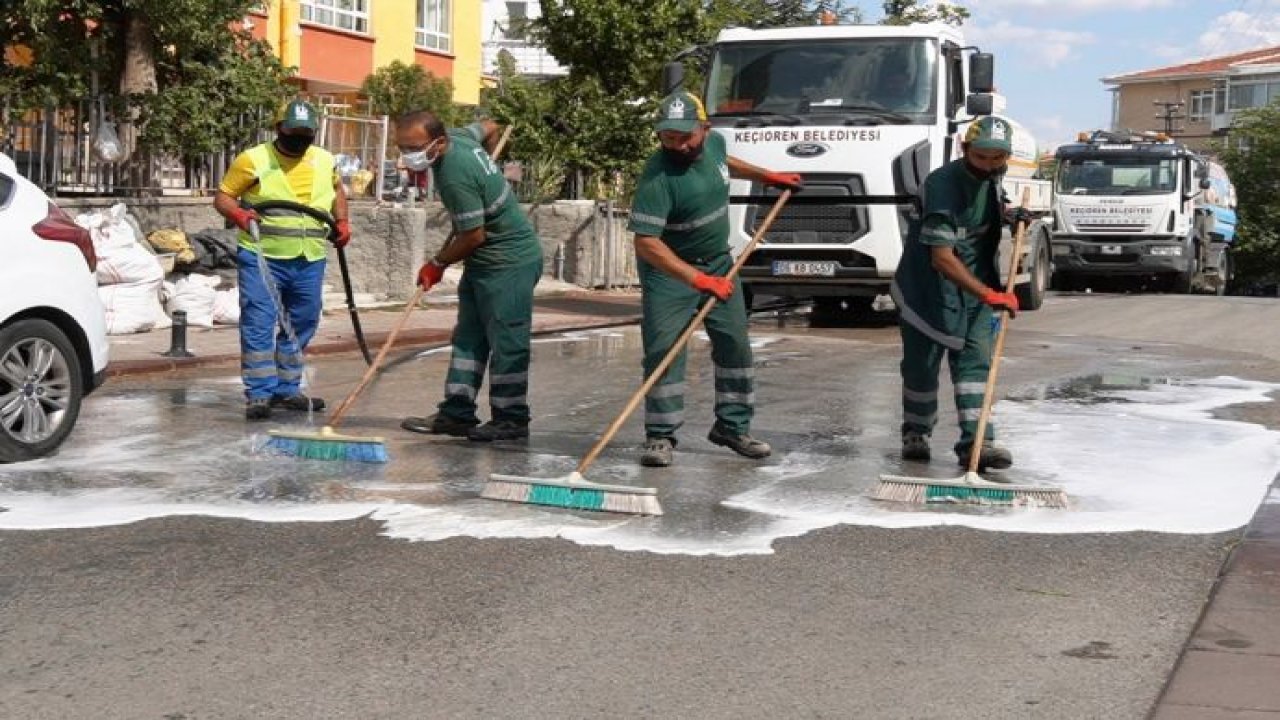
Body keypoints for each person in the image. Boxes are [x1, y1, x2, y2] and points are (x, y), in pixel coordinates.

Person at [627, 90, 803, 468]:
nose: (674, 144)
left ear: (705, 129)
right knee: (664, 352)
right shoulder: (658, 177)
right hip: (670, 272)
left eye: (683, 136)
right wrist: (698, 281)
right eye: (667, 136)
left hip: (720, 263)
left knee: (735, 345)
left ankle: (732, 427)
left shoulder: (716, 144)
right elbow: (647, 244)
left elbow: (725, 163)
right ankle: (660, 435)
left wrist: (767, 177)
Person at [394, 112, 542, 442]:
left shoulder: (455, 175)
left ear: (439, 142)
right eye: (402, 147)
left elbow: (473, 236)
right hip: (483, 263)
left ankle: (511, 418)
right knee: (468, 337)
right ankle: (456, 413)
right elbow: (491, 125)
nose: (408, 155)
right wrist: (488, 166)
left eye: (414, 147)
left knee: (507, 342)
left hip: (510, 262)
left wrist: (437, 262)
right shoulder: (460, 137)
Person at [890, 115, 1027, 470]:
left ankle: (978, 443)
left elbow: (980, 218)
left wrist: (1011, 216)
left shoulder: (992, 178)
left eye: (997, 158)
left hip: (976, 290)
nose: (989, 165)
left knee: (975, 364)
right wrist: (990, 295)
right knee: (922, 367)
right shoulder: (943, 185)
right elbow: (941, 258)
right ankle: (916, 432)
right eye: (981, 157)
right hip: (927, 290)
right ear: (966, 150)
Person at [214, 99, 351, 422]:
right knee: (259, 322)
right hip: (263, 256)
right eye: (294, 131)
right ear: (279, 129)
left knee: (303, 321)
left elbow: (337, 191)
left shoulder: (324, 160)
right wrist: (237, 213)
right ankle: (260, 393)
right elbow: (223, 197)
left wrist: (342, 222)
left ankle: (287, 389)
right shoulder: (253, 160)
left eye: (307, 133)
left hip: (309, 257)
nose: (300, 138)